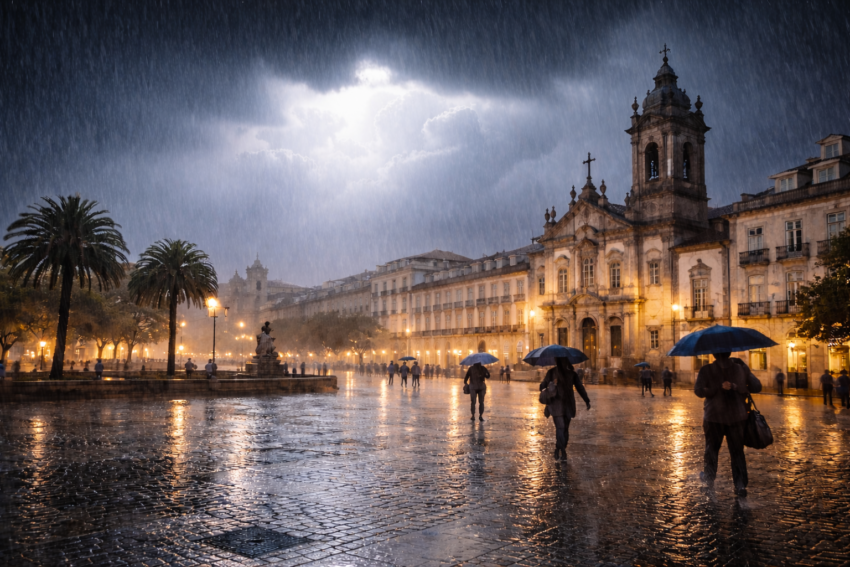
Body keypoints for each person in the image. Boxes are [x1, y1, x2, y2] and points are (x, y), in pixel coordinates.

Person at [694, 353, 762, 497]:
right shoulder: (740, 368)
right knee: (737, 452)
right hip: (736, 417)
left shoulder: (706, 369)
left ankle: (709, 481)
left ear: (713, 354)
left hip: (714, 417)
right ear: (730, 353)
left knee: (711, 451)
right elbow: (756, 386)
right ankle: (740, 485)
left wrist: (721, 387)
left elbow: (699, 391)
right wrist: (737, 382)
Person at [539, 357, 591, 460]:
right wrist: (552, 384)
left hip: (566, 405)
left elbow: (580, 387)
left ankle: (559, 448)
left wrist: (586, 399)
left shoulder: (571, 374)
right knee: (562, 428)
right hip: (558, 405)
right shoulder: (553, 373)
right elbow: (542, 386)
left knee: (563, 429)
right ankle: (562, 449)